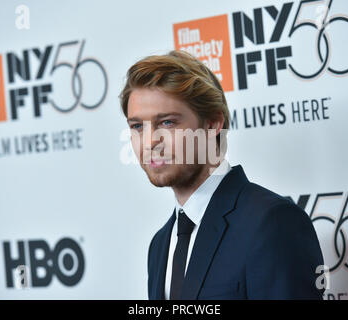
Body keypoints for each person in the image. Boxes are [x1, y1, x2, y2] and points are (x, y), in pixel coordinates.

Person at [119, 50, 325, 300]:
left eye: (168, 122)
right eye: (137, 126)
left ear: (213, 124)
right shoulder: (160, 244)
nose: (150, 141)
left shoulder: (272, 222)